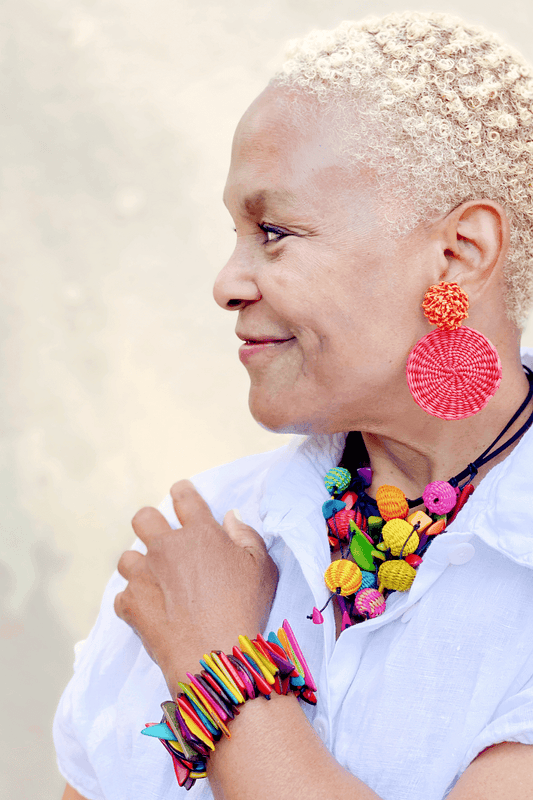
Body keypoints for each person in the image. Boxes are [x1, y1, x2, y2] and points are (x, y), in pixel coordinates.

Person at [55, 11, 533, 800]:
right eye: (235, 232)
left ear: (458, 253)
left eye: (273, 231)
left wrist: (214, 660)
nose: (226, 283)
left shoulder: (195, 602)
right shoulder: (199, 541)